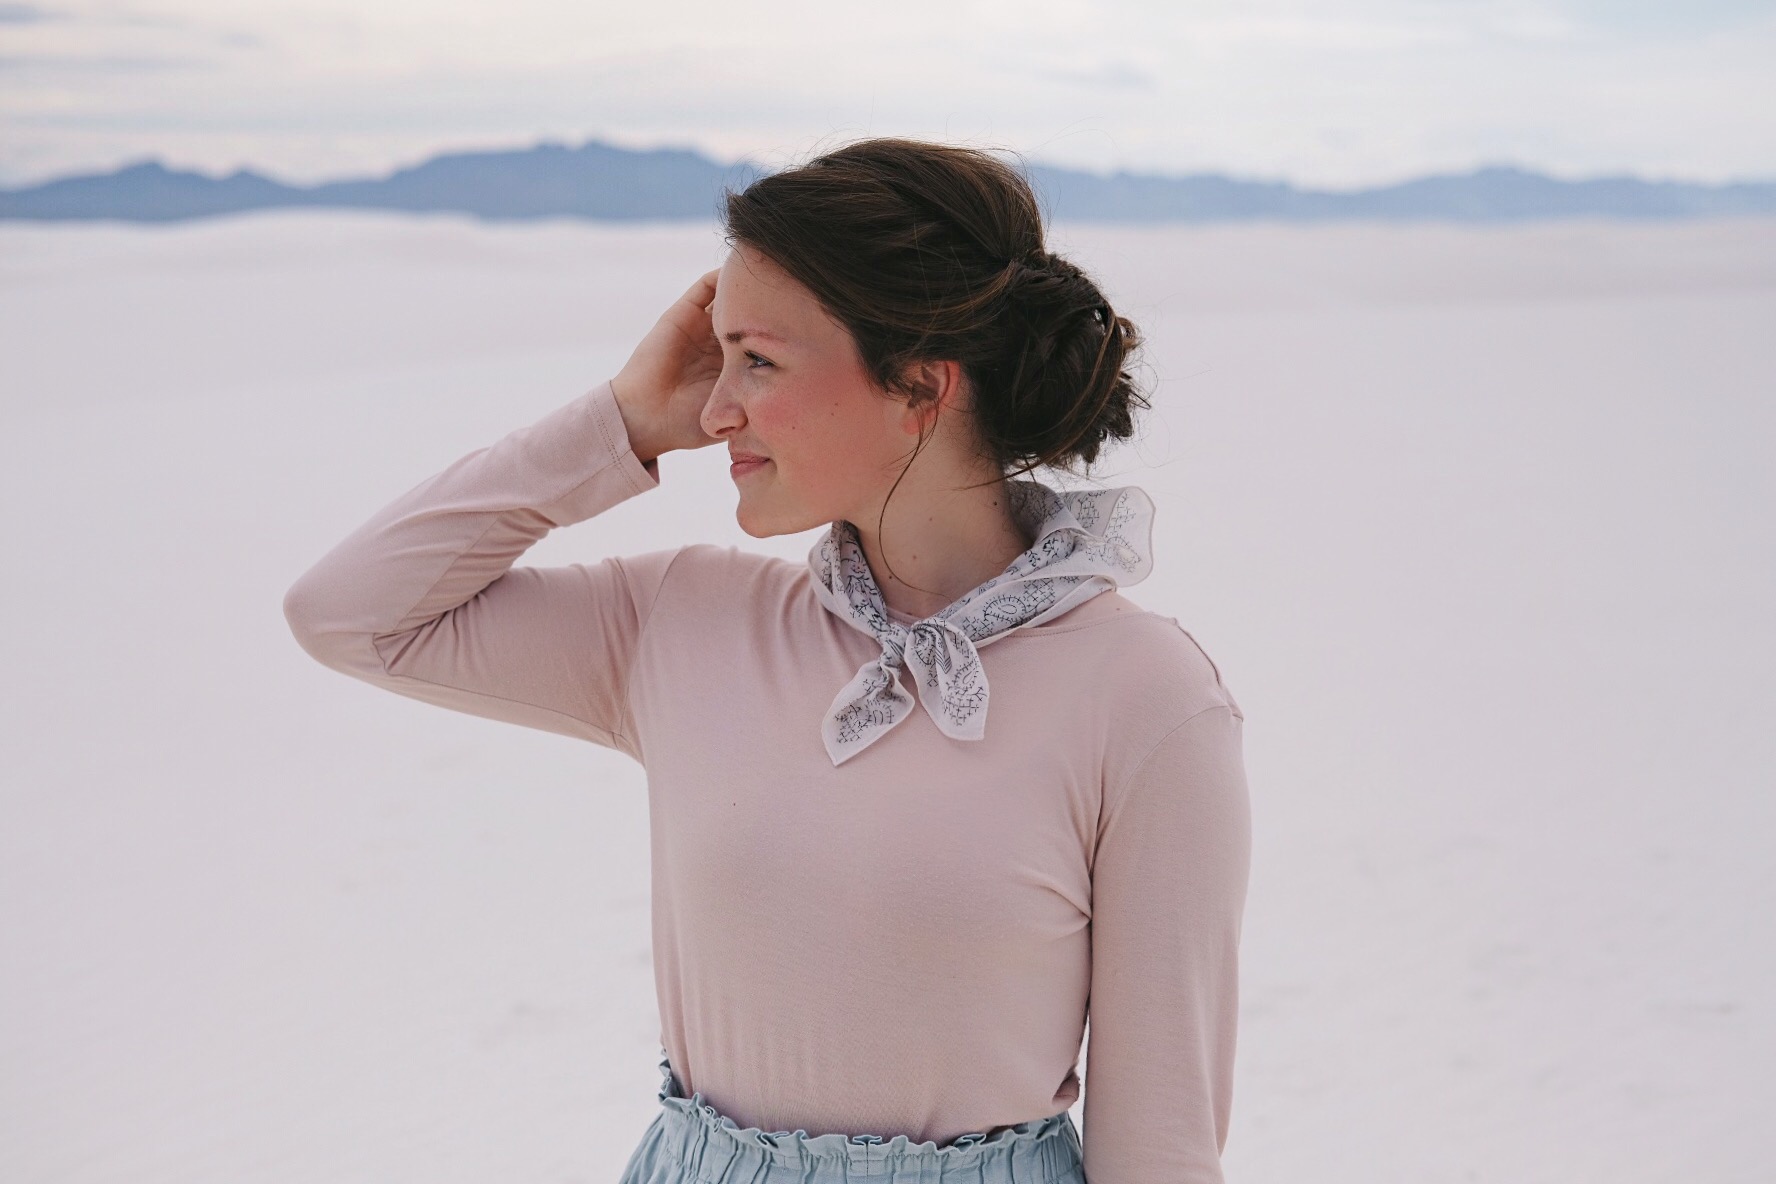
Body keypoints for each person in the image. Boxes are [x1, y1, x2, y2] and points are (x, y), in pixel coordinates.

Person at [283, 137, 1252, 1184]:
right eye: (717, 355)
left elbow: (1161, 1143)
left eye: (760, 359)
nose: (714, 409)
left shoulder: (1145, 696)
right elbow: (353, 613)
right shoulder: (681, 618)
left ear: (921, 387)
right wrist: (621, 422)